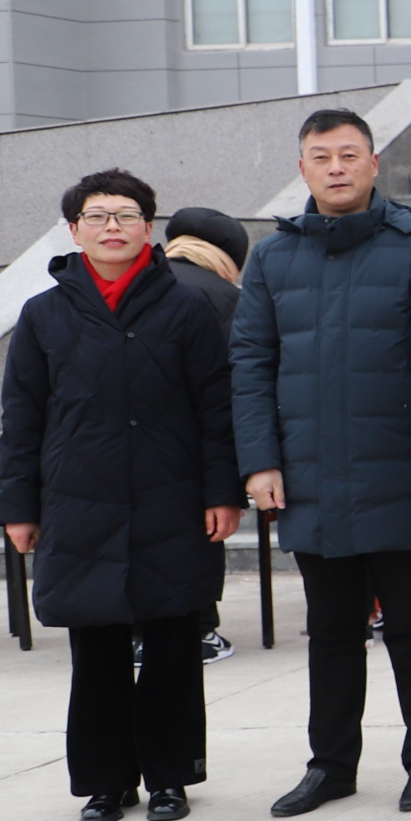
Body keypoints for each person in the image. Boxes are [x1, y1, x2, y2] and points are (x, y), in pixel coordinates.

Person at [233, 108, 411, 817]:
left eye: (348, 154)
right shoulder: (273, 258)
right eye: (321, 156)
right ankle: (331, 765)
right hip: (309, 473)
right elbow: (250, 364)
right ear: (302, 169)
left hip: (399, 468)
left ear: (374, 164)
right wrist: (260, 461)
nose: (335, 168)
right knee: (331, 630)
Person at [0, 171, 241, 821]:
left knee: (172, 644)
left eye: (127, 215)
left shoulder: (185, 309)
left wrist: (223, 491)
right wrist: (19, 507)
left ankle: (170, 778)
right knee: (97, 650)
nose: (113, 226)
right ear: (74, 230)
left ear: (149, 228)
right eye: (97, 216)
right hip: (79, 501)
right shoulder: (44, 315)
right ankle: (105, 783)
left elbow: (216, 410)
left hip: (173, 498)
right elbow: (22, 418)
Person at [161, 205, 251, 663]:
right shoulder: (227, 297)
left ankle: (141, 633)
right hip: (200, 442)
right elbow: (240, 377)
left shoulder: (141, 283)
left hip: (136, 439)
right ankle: (200, 630)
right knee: (202, 535)